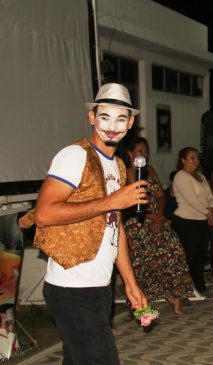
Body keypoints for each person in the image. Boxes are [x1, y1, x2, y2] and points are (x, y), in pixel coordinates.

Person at [19, 83, 148, 364]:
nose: (112, 126)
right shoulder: (74, 156)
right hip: (72, 288)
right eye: (105, 117)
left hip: (99, 285)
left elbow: (116, 228)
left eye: (120, 118)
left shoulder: (118, 166)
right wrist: (111, 201)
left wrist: (130, 282)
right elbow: (43, 214)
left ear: (131, 123)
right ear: (92, 116)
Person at [122, 137, 193, 315]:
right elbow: (128, 203)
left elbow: (161, 195)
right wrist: (151, 217)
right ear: (130, 153)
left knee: (173, 251)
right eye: (139, 151)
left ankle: (174, 295)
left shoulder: (150, 170)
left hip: (157, 219)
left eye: (146, 151)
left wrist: (159, 216)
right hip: (137, 222)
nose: (143, 154)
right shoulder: (126, 173)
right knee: (145, 261)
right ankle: (140, 303)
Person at [172, 147, 213, 298]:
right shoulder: (181, 176)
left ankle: (199, 286)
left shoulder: (200, 176)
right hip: (187, 221)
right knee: (189, 257)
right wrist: (207, 211)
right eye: (192, 158)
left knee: (200, 256)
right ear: (183, 161)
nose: (196, 161)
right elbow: (191, 200)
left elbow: (210, 195)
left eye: (197, 158)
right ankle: (184, 289)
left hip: (201, 220)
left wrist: (211, 208)